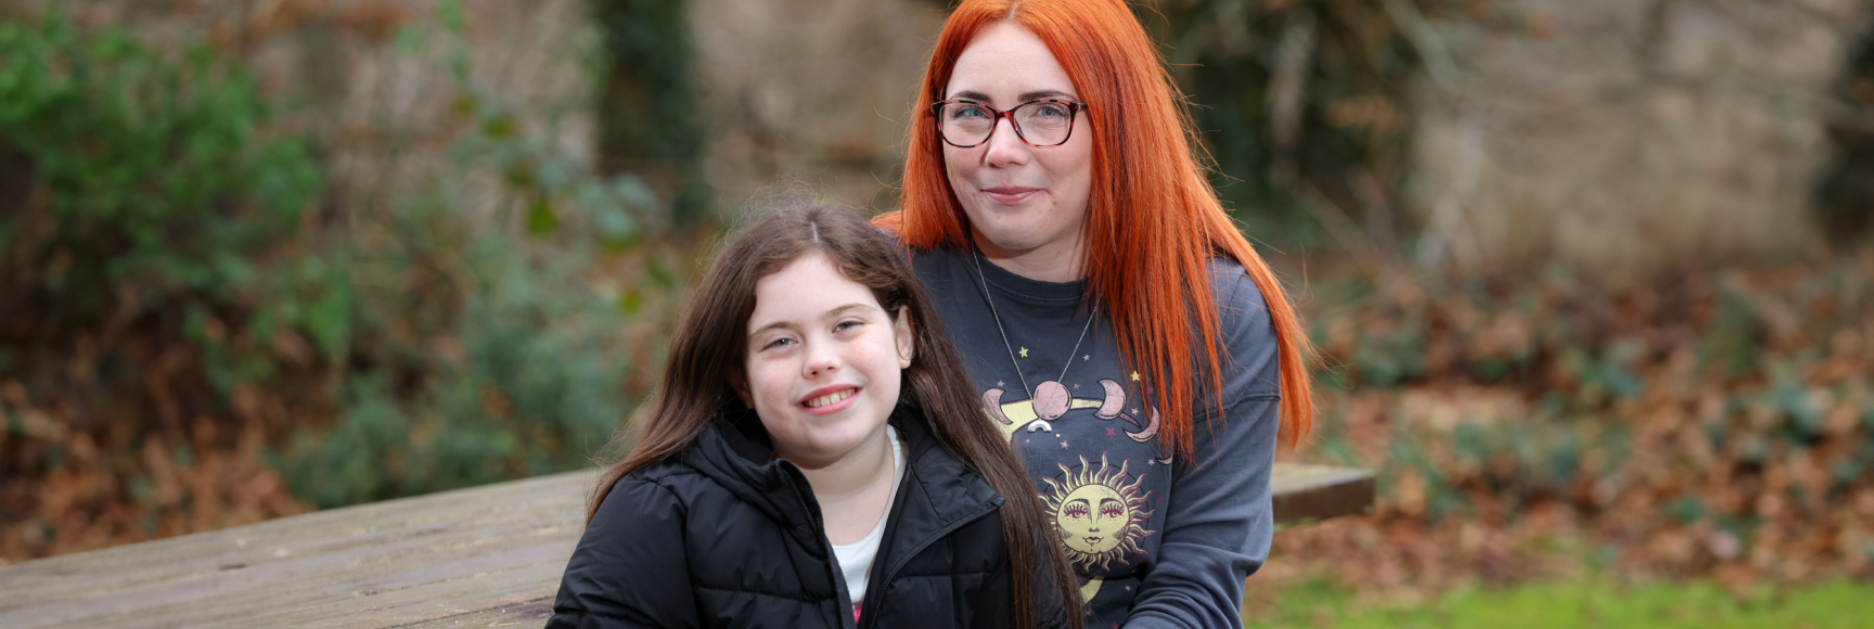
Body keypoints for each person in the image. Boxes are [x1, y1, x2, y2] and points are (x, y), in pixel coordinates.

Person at [873, 1, 1317, 627]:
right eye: (971, 112)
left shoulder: (1215, 312)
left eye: (1046, 111)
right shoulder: (875, 286)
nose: (999, 149)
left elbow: (1198, 584)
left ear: (1121, 122)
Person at [547, 205, 1083, 629]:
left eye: (846, 324)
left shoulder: (982, 508)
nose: (820, 360)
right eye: (780, 341)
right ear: (741, 380)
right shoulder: (659, 516)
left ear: (903, 337)